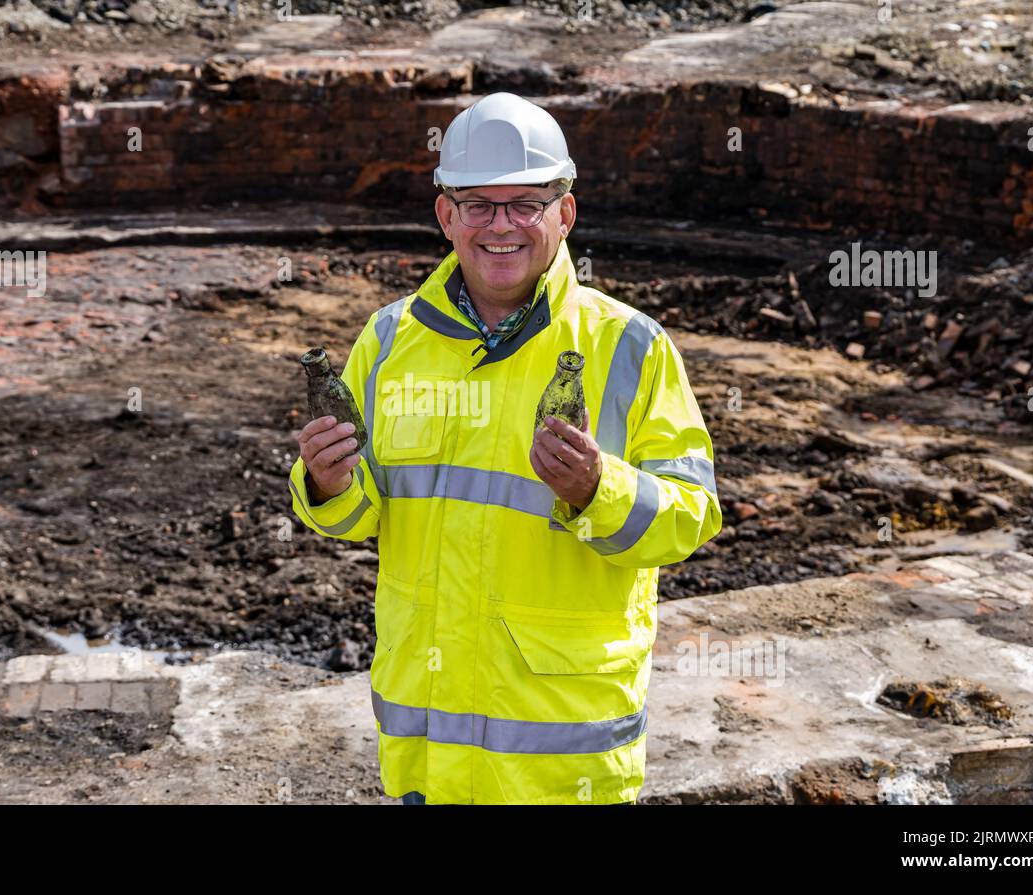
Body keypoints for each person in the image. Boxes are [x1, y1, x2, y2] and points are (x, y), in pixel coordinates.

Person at [289, 92, 721, 805]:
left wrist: (597, 489)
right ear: (446, 216)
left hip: (562, 757)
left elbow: (690, 517)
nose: (502, 226)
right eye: (479, 205)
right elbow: (361, 515)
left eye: (524, 203)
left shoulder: (629, 347)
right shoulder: (391, 341)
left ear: (565, 213)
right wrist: (328, 483)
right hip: (425, 752)